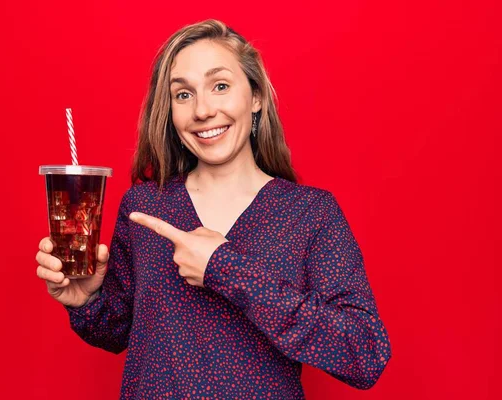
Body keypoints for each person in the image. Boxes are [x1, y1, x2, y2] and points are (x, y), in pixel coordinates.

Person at [35, 19, 392, 399]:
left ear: (255, 97)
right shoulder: (144, 207)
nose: (202, 110)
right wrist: (87, 300)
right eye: (183, 95)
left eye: (220, 86)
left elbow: (365, 353)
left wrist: (225, 268)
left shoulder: (310, 213)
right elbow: (118, 333)